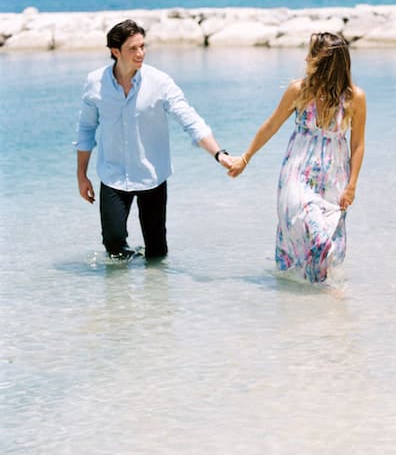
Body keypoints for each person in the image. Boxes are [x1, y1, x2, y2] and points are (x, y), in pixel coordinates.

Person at [74, 19, 232, 260]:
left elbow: (190, 120)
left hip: (152, 175)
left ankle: (156, 295)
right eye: (133, 48)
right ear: (115, 52)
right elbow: (86, 128)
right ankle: (119, 296)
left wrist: (219, 154)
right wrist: (81, 175)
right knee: (113, 245)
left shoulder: (160, 82)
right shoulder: (95, 83)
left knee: (157, 252)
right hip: (113, 175)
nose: (140, 53)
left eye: (142, 46)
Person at [227, 32, 366, 283]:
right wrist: (245, 158)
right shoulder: (299, 91)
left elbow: (357, 144)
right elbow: (271, 126)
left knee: (329, 237)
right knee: (315, 234)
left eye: (311, 54)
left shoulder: (354, 98)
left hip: (334, 178)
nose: (305, 58)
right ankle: (321, 291)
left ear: (325, 62)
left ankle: (317, 297)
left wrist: (353, 185)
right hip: (298, 172)